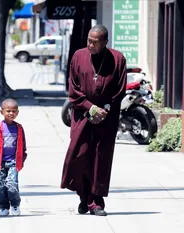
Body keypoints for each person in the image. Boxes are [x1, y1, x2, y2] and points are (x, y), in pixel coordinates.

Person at [60, 25, 127, 216]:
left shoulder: (118, 59)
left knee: (100, 158)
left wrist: (104, 110)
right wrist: (91, 108)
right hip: (82, 115)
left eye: (95, 42)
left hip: (107, 117)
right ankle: (83, 197)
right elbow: (73, 90)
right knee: (80, 156)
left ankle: (96, 202)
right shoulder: (78, 57)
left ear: (105, 42)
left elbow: (119, 90)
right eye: (89, 40)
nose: (90, 44)